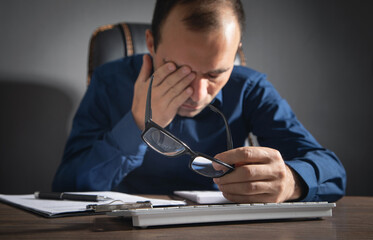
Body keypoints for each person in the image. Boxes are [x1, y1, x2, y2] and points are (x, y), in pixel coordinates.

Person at [53, 0, 346, 203]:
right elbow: (65, 188)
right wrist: (137, 125)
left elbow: (332, 172)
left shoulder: (249, 88)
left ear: (234, 53)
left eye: (215, 73)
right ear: (152, 44)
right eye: (179, 70)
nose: (197, 93)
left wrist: (291, 182)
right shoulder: (110, 81)